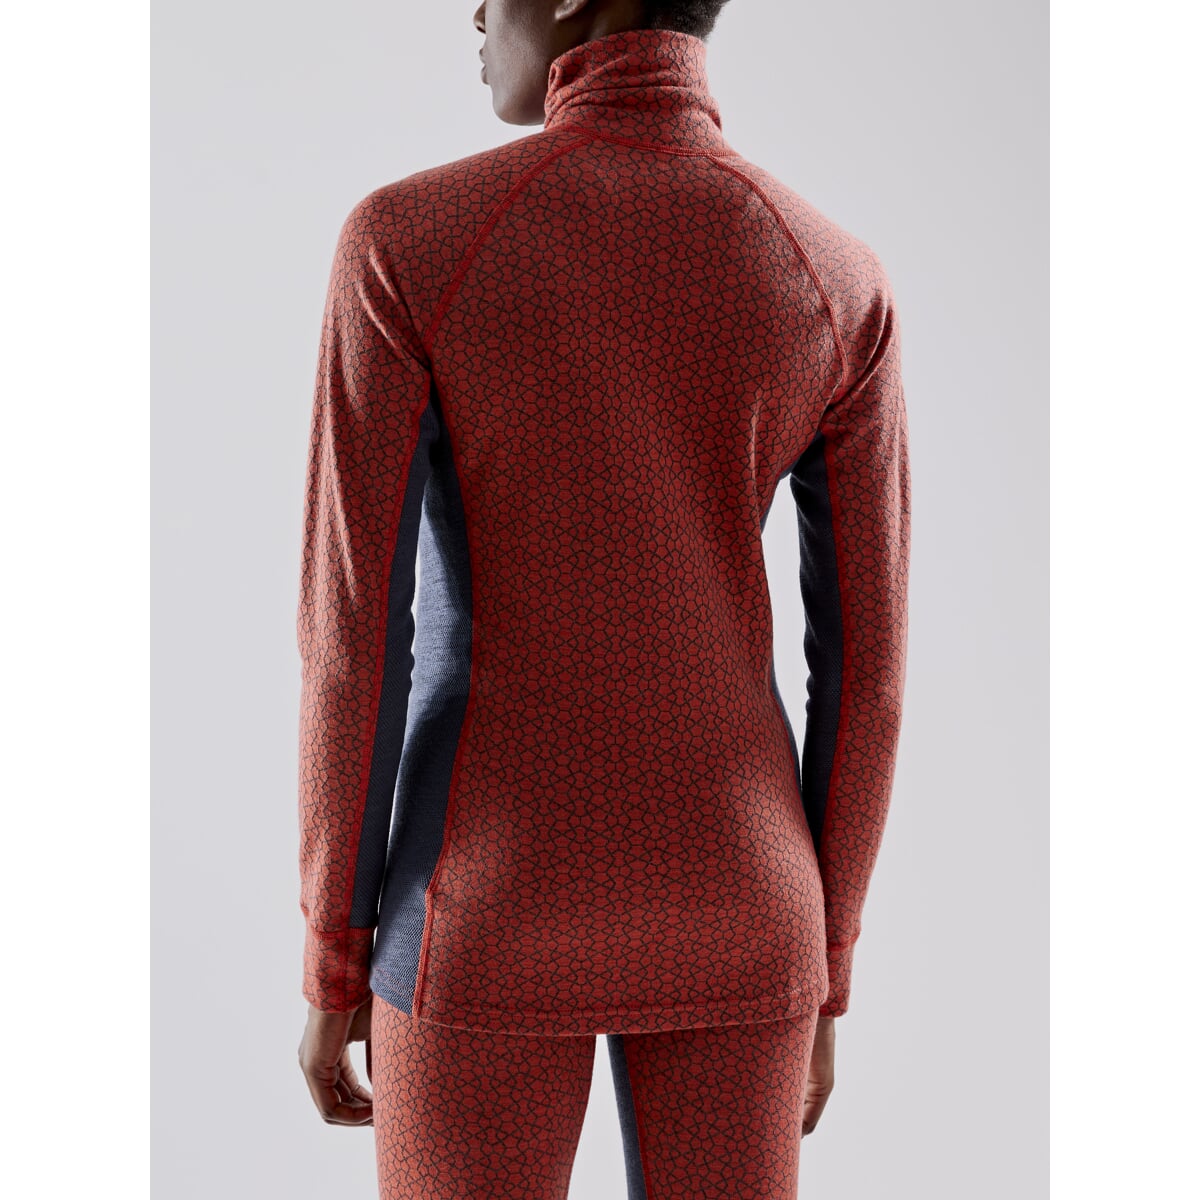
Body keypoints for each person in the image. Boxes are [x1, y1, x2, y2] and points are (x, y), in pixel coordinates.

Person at [295, 1, 911, 1196]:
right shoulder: (836, 277)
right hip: (746, 910)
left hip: (482, 908)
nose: (477, 11)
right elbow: (868, 677)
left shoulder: (409, 244)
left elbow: (352, 645)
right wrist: (824, 970)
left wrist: (334, 957)